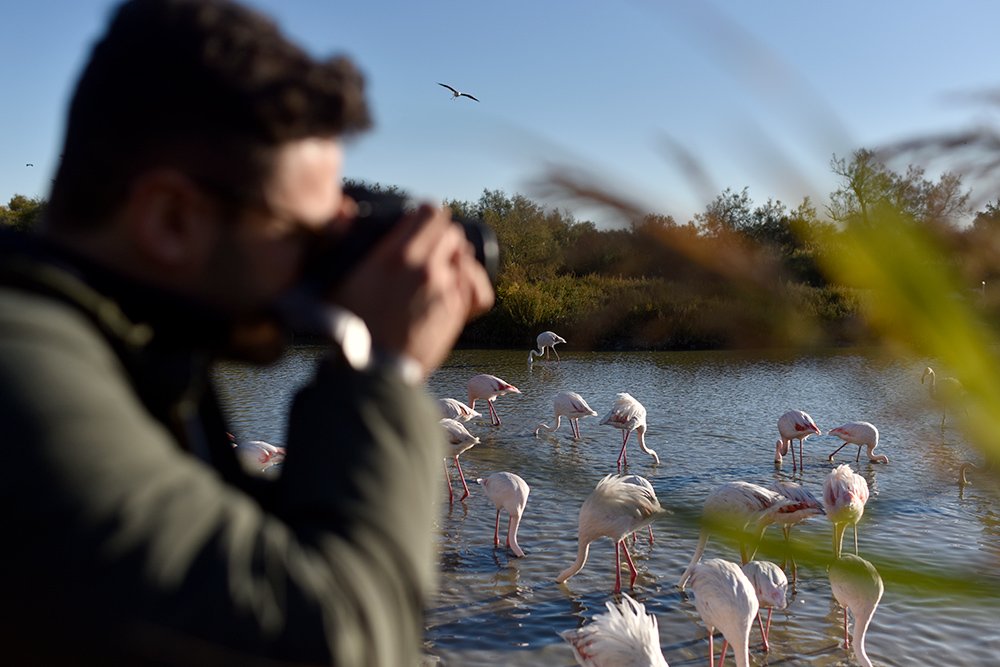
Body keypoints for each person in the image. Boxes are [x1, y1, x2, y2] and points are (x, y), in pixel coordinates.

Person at [0, 0, 494, 665]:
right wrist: (385, 372)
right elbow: (328, 640)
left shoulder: (133, 354)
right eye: (307, 236)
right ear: (172, 219)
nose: (323, 266)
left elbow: (256, 552)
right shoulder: (24, 371)